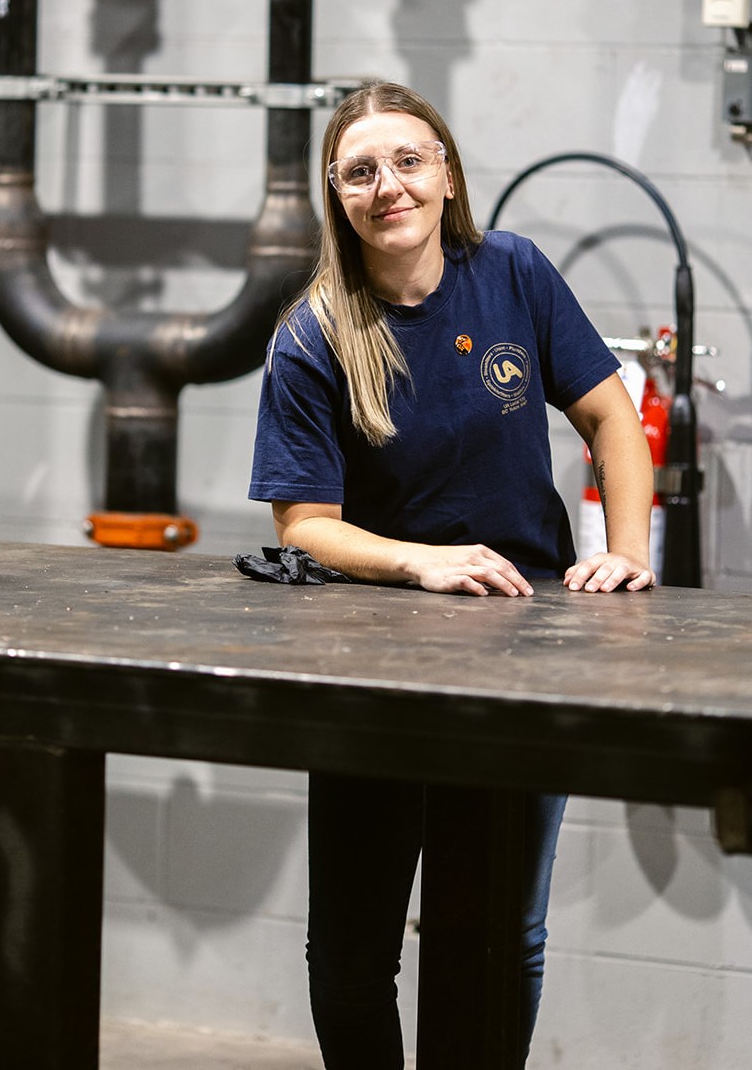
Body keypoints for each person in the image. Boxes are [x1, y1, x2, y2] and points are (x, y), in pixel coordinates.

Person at [248, 81, 656, 1068]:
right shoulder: (313, 336)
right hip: (371, 661)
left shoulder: (511, 271)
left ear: (446, 173)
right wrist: (418, 562)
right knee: (352, 950)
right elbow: (303, 524)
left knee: (500, 935)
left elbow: (610, 417)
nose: (385, 185)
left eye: (406, 160)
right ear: (335, 197)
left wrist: (626, 549)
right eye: (358, 171)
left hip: (523, 648)